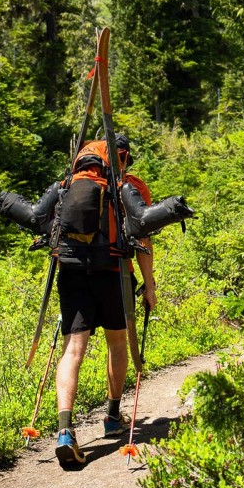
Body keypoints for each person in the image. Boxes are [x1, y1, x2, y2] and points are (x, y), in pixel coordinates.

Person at [52, 133, 157, 466]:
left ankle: (65, 430)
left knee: (73, 349)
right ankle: (113, 416)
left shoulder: (68, 184)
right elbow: (142, 237)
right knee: (116, 344)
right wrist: (150, 285)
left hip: (71, 271)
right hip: (113, 270)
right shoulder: (130, 187)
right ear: (123, 158)